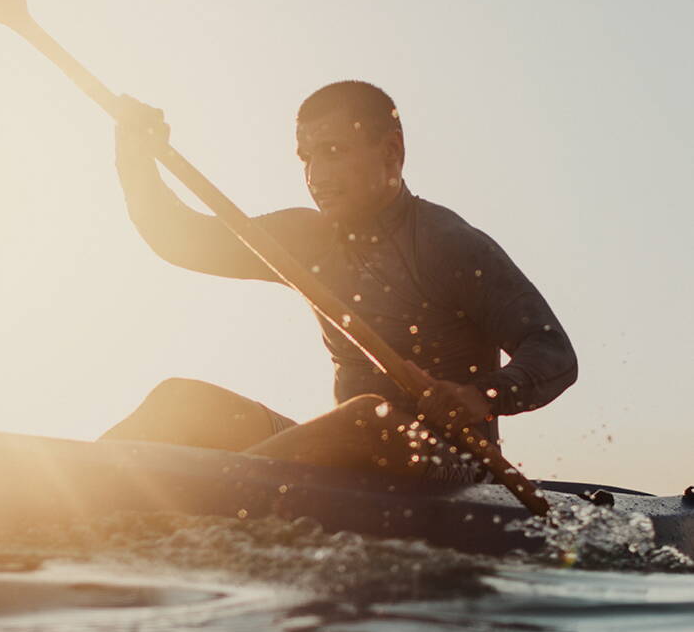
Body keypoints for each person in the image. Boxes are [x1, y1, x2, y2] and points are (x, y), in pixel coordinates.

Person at [102, 81, 577, 479]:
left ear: (391, 153)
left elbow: (553, 351)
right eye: (306, 156)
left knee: (371, 418)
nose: (315, 175)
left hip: (451, 468)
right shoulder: (305, 239)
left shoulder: (447, 243)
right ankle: (71, 499)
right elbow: (177, 238)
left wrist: (481, 396)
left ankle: (196, 506)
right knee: (181, 401)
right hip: (342, 461)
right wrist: (135, 157)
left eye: (332, 152)